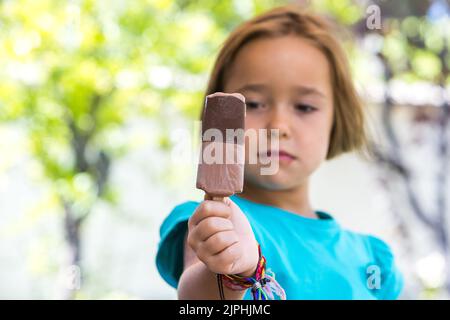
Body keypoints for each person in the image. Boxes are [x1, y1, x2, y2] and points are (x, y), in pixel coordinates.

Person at [156, 4, 404, 300]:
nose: (279, 126)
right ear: (218, 119)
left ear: (338, 120)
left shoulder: (373, 261)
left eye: (305, 107)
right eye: (255, 104)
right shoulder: (211, 222)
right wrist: (235, 271)